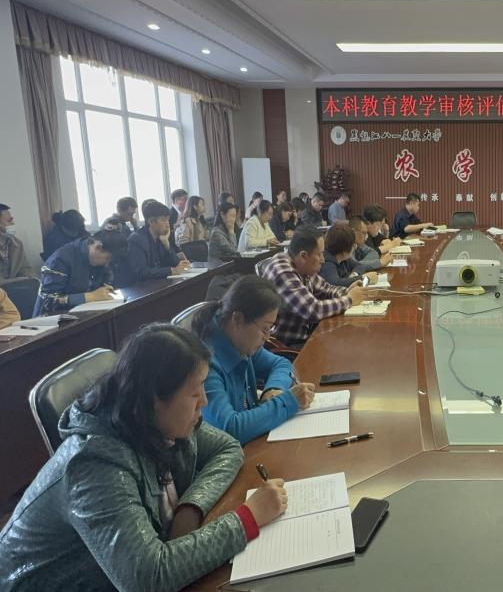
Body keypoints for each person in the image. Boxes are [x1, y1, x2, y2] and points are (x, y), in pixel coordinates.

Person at [0, 324, 288, 591]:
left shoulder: (158, 421)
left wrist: (190, 507)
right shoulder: (93, 466)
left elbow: (228, 449)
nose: (205, 401)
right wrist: (247, 519)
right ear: (154, 399)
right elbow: (147, 577)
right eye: (194, 392)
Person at [192, 276, 316, 444]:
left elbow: (281, 363)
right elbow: (229, 428)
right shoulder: (204, 363)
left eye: (270, 328)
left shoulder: (239, 340)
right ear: (237, 319)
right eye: (264, 328)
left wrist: (273, 389)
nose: (268, 337)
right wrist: (288, 401)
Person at [260, 225, 368, 345]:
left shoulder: (302, 265)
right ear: (303, 256)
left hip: (306, 336)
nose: (323, 259)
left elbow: (326, 289)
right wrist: (349, 299)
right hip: (287, 346)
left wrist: (348, 291)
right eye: (320, 254)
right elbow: (313, 310)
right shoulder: (282, 271)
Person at [34, 229, 127, 316]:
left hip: (86, 315)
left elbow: (106, 281)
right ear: (98, 247)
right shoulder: (60, 260)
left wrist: (106, 289)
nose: (107, 264)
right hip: (51, 321)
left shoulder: (98, 259)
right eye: (107, 258)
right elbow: (48, 301)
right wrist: (90, 296)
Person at [125, 201, 190, 285]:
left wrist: (167, 245)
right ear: (151, 222)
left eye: (168, 219)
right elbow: (142, 272)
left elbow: (176, 263)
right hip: (142, 288)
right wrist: (171, 270)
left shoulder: (162, 237)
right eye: (163, 220)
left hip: (161, 284)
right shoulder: (136, 240)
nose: (168, 224)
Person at [320, 224, 379, 288]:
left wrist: (354, 274)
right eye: (353, 245)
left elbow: (360, 266)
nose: (355, 248)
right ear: (345, 249)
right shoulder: (326, 263)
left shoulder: (344, 258)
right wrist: (364, 278)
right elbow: (335, 283)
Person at [0, 203, 34, 281]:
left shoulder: (17, 244)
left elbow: (26, 269)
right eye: (9, 221)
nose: (13, 223)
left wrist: (31, 279)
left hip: (16, 286)